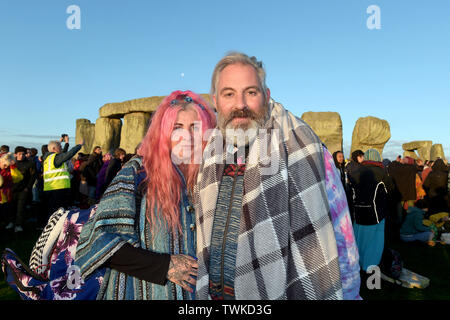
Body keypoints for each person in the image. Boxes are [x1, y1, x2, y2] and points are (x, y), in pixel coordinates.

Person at [194, 52, 360, 300]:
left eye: (251, 92)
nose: (240, 104)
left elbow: (340, 234)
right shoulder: (211, 155)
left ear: (267, 96)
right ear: (215, 101)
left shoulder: (303, 148)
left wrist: (349, 293)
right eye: (229, 94)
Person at [74, 90, 216, 300]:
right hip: (143, 291)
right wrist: (163, 266)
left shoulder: (211, 175)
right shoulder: (139, 171)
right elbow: (100, 239)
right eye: (177, 127)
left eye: (195, 128)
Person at [347, 148, 394, 273]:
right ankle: (370, 267)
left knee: (359, 239)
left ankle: (357, 264)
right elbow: (390, 190)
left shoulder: (356, 171)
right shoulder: (381, 172)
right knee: (374, 241)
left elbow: (350, 191)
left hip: (358, 212)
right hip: (376, 213)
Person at [42, 136, 83, 223]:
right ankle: (56, 228)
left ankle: (49, 227)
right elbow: (68, 154)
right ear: (54, 149)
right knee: (59, 211)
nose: (61, 148)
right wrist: (79, 145)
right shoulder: (55, 158)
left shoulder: (48, 158)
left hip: (50, 187)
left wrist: (66, 143)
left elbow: (63, 154)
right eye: (59, 147)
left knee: (52, 210)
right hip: (58, 188)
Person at [10, 146, 37, 232]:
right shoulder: (12, 163)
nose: (21, 156)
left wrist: (28, 188)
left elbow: (33, 176)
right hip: (13, 189)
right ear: (15, 154)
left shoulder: (30, 163)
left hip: (24, 189)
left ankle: (18, 225)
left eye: (23, 154)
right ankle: (11, 222)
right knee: (12, 207)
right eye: (19, 154)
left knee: (20, 208)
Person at [1, 153, 23, 229]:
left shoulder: (10, 170)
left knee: (6, 211)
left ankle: (8, 224)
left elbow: (18, 178)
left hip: (6, 195)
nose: (6, 166)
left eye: (7, 165)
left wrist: (13, 167)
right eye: (4, 165)